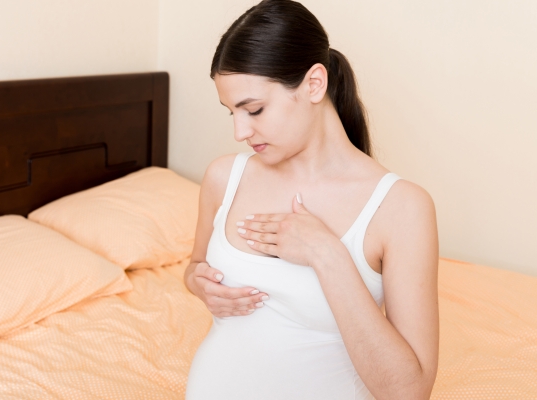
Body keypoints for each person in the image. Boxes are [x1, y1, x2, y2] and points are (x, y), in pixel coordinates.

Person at [183, 1, 439, 399]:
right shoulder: (223, 177)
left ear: (314, 84)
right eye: (230, 112)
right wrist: (198, 283)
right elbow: (195, 265)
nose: (239, 131)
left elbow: (409, 392)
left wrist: (327, 255)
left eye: (254, 109)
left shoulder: (401, 208)